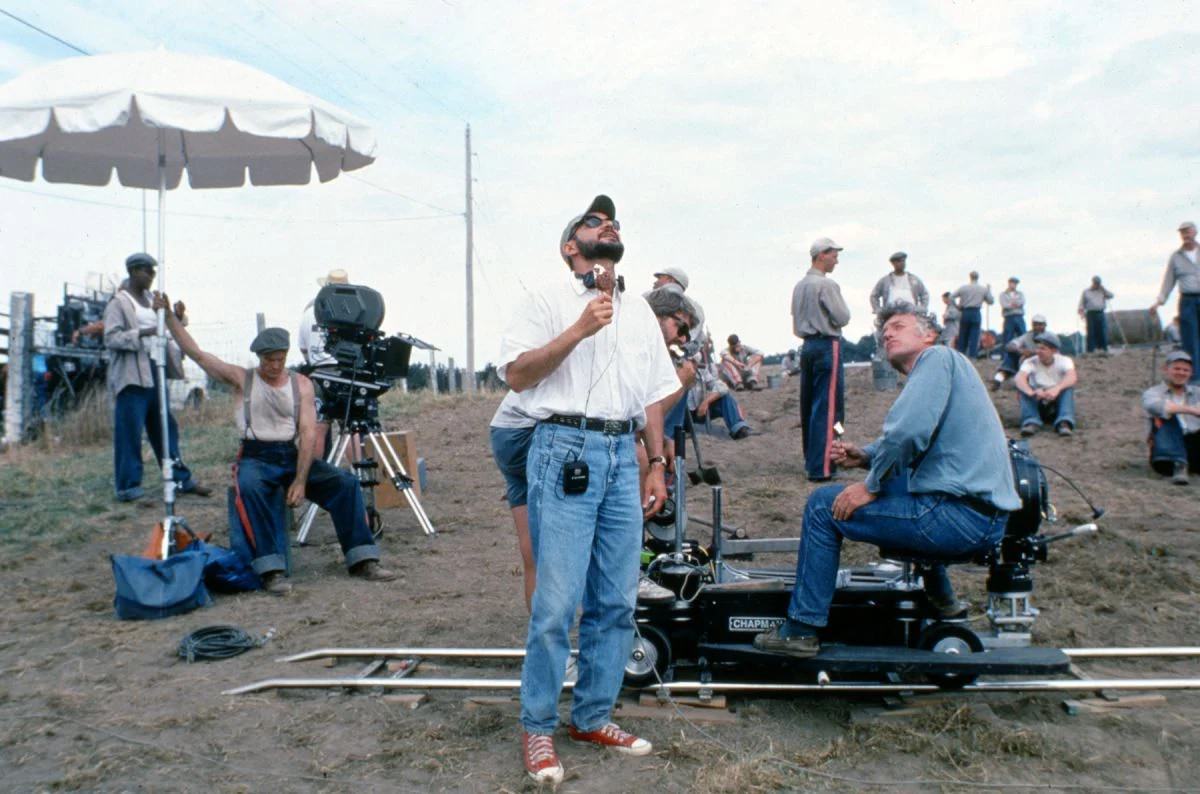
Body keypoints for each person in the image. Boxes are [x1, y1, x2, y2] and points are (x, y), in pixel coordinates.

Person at [498, 195, 678, 784]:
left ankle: (593, 715)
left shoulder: (641, 312)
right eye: (594, 221)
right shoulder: (546, 300)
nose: (609, 225)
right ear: (570, 246)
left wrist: (655, 461)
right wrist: (578, 328)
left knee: (617, 599)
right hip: (564, 447)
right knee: (556, 603)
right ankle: (538, 729)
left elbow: (653, 392)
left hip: (622, 455)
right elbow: (517, 374)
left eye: (614, 221)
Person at [753, 303, 1019, 657]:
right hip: (980, 518)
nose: (887, 333)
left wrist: (870, 484)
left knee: (821, 506)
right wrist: (865, 456)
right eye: (884, 330)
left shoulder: (937, 358)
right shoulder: (948, 369)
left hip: (958, 517)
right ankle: (946, 604)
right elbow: (915, 438)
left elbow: (908, 433)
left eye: (898, 326)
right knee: (907, 485)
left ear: (929, 335)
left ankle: (800, 630)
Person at [159, 302, 396, 595]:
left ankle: (363, 559)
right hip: (254, 457)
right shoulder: (242, 378)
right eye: (269, 360)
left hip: (291, 455)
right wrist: (171, 319)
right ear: (259, 358)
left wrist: (300, 480)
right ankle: (271, 570)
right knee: (250, 488)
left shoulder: (302, 384)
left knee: (345, 483)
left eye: (280, 359)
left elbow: (309, 433)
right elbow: (198, 355)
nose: (274, 366)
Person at [103, 253, 210, 502]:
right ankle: (128, 486)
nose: (151, 276)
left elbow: (163, 325)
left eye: (153, 271)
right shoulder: (119, 303)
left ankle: (180, 479)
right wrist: (144, 332)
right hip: (131, 374)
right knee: (130, 430)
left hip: (155, 369)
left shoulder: (152, 299)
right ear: (133, 272)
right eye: (146, 271)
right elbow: (111, 338)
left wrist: (177, 316)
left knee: (165, 427)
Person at [792, 237, 851, 482]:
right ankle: (823, 466)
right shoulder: (826, 286)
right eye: (834, 254)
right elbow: (843, 317)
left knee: (810, 405)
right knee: (830, 408)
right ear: (821, 255)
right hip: (827, 344)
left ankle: (812, 459)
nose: (837, 259)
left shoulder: (799, 286)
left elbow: (796, 323)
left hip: (807, 345)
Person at [299, 268, 349, 458]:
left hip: (318, 374)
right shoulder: (350, 311)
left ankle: (317, 474)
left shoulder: (309, 312)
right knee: (350, 427)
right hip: (344, 372)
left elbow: (303, 349)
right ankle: (358, 475)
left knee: (318, 427)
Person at [1151, 221, 1200, 383]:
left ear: (1195, 233)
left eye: (1188, 232)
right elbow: (1168, 281)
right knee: (1190, 340)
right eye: (1182, 233)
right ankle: (1194, 379)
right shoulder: (1176, 257)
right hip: (1187, 300)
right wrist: (1159, 302)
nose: (1185, 236)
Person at [1142, 350, 1200, 485]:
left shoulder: (1197, 392)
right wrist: (1192, 410)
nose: (1181, 373)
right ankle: (1179, 464)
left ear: (1191, 373)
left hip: (1193, 448)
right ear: (1166, 369)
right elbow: (1156, 407)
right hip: (1166, 457)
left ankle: (1185, 465)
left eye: (1186, 370)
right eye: (1177, 368)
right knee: (1164, 418)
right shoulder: (1153, 392)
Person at [1014, 332, 1077, 437]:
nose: (1038, 352)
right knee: (1022, 390)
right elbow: (1020, 378)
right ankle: (1031, 421)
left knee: (1067, 389)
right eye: (1037, 348)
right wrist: (1031, 392)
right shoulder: (1030, 362)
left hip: (1056, 400)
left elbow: (1072, 376)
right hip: (1037, 399)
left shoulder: (1064, 361)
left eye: (1043, 349)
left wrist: (1057, 389)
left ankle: (1064, 422)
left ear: (1054, 351)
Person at [869, 251, 928, 345]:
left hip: (911, 315)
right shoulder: (885, 280)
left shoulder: (913, 279)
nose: (902, 263)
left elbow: (924, 294)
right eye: (899, 261)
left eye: (903, 261)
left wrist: (922, 308)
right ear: (893, 263)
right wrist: (878, 310)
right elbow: (874, 296)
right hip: (890, 316)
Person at [993, 314, 1050, 390]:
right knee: (1011, 356)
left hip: (1044, 365)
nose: (1038, 327)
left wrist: (1033, 353)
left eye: (1040, 325)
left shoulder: (1050, 338)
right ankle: (999, 378)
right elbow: (1010, 345)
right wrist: (1021, 351)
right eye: (1035, 325)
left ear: (1045, 326)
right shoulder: (1027, 336)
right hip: (1027, 363)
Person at [952, 271, 994, 358]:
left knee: (963, 334)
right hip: (976, 312)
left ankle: (961, 355)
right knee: (974, 335)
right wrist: (989, 291)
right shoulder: (983, 289)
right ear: (978, 277)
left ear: (970, 277)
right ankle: (972, 356)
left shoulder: (963, 288)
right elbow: (990, 301)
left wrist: (957, 306)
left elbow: (951, 297)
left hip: (965, 311)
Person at [1079, 276, 1114, 354]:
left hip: (1100, 313)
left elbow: (1111, 296)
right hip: (1090, 314)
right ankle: (1090, 351)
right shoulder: (1086, 291)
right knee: (1091, 332)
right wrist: (1081, 312)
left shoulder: (1102, 291)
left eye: (1098, 283)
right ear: (1093, 283)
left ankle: (1104, 350)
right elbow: (1081, 304)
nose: (1097, 284)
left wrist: (1103, 289)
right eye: (1095, 283)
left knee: (1102, 331)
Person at [998, 276, 1026, 370]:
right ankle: (1005, 357)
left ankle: (1024, 355)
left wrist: (1012, 304)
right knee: (1007, 337)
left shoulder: (1020, 294)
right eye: (1012, 283)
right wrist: (1012, 305)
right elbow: (1004, 304)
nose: (1014, 285)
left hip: (1019, 316)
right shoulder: (1003, 294)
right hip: (1009, 317)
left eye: (1015, 283)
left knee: (1023, 336)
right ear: (1009, 283)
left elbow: (1021, 302)